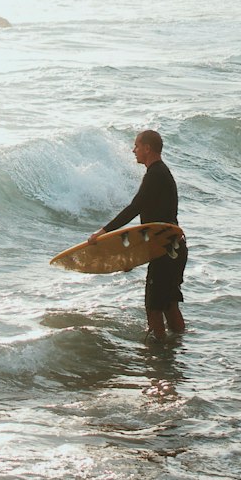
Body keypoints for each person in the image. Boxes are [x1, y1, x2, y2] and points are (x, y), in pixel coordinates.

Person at [97, 129, 186, 337]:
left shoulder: (155, 175)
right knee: (169, 305)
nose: (133, 150)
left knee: (154, 307)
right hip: (175, 248)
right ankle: (177, 349)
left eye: (136, 146)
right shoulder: (162, 173)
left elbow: (134, 208)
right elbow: (156, 226)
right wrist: (131, 256)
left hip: (165, 252)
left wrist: (103, 232)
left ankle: (158, 357)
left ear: (148, 148)